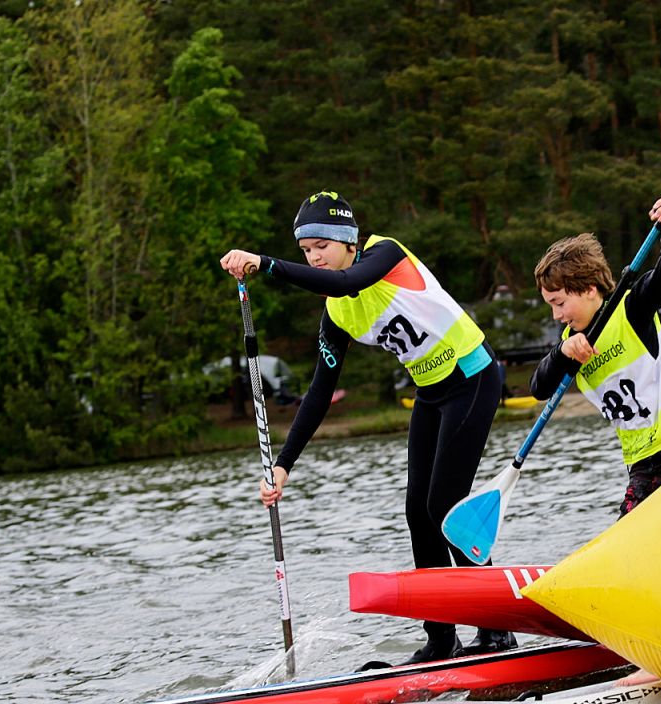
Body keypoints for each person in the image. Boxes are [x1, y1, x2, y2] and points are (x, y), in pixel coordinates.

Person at [220, 190, 517, 662]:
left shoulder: (385, 254)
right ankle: (441, 638)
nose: (314, 257)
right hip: (431, 392)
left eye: (321, 246)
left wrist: (267, 264)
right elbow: (318, 393)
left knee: (444, 505)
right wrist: (284, 465)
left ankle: (498, 627)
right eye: (305, 250)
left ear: (346, 241)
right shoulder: (335, 316)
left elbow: (346, 282)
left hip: (473, 378)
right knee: (417, 512)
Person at [528, 196, 661, 685]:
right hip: (642, 462)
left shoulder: (633, 308)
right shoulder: (572, 345)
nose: (559, 314)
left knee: (629, 556)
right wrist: (563, 351)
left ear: (585, 289)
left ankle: (657, 657)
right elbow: (539, 385)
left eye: (560, 303)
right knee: (656, 552)